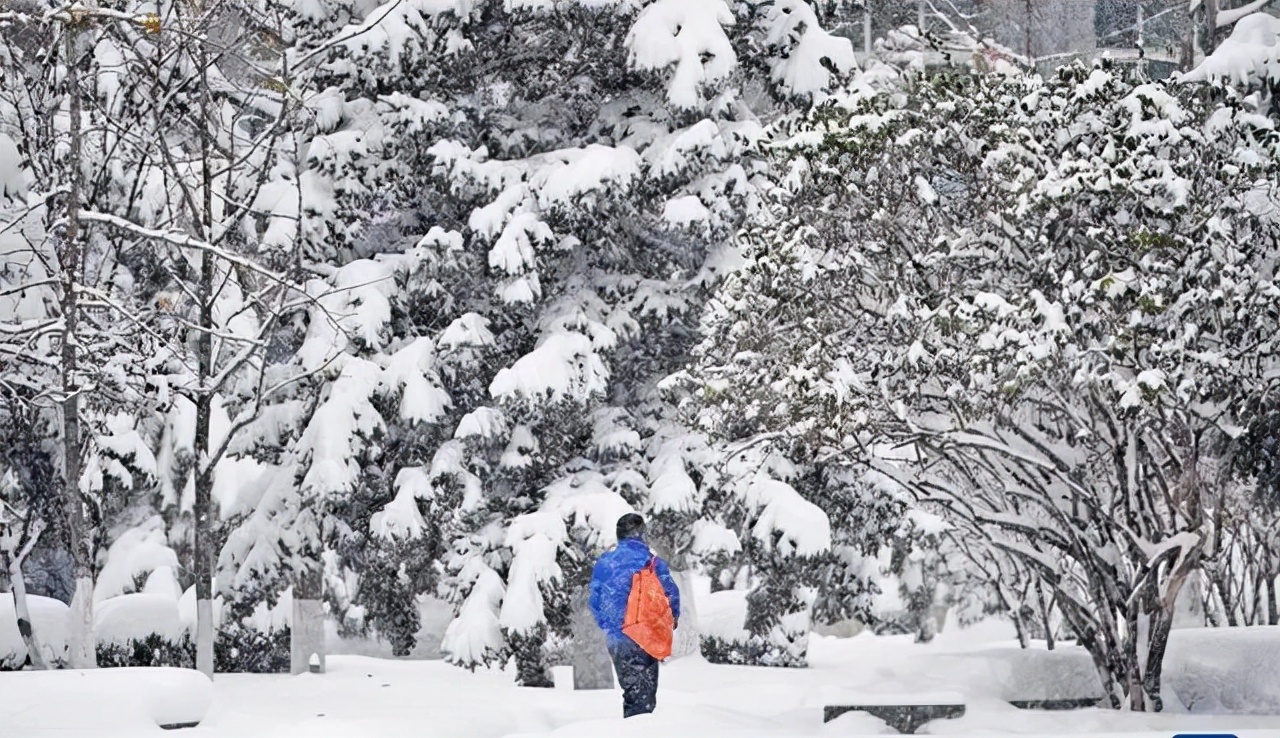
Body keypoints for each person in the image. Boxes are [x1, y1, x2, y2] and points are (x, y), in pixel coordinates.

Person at [588, 513, 681, 718]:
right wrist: (671, 620)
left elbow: (594, 600)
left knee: (633, 693)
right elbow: (671, 594)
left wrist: (608, 624)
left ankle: (635, 728)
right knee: (646, 695)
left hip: (619, 637)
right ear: (641, 534)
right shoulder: (653, 562)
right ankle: (641, 728)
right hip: (648, 636)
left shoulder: (606, 563)